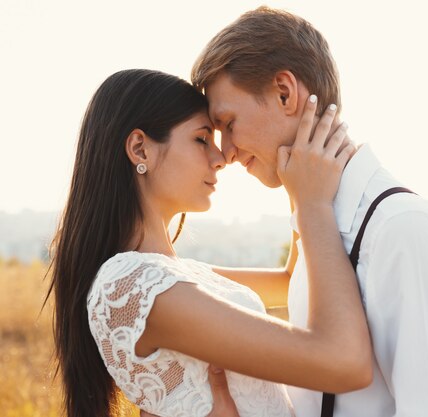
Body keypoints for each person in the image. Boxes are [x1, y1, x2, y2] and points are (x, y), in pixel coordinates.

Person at [191, 6, 428, 417]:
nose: (226, 152)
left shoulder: (403, 232)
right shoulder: (320, 222)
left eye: (229, 122)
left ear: (284, 92)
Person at [45, 68, 372, 417]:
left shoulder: (173, 277)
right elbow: (344, 362)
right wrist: (313, 204)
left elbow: (292, 279)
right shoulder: (134, 284)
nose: (220, 158)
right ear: (140, 149)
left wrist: (292, 168)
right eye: (202, 139)